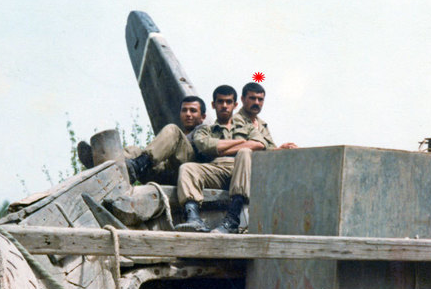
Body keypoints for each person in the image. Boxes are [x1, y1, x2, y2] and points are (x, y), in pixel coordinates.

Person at [176, 82, 297, 234]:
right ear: (213, 105)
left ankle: (233, 218)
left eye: (228, 102)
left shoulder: (247, 127)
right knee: (187, 168)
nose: (224, 106)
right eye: (220, 102)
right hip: (216, 170)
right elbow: (205, 146)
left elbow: (259, 144)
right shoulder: (205, 130)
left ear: (235, 104)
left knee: (245, 152)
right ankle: (193, 218)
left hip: (241, 170)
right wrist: (241, 141)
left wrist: (222, 149)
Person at [77, 96, 206, 185]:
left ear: (202, 117)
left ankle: (138, 165)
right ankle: (104, 164)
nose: (188, 114)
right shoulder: (180, 134)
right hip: (166, 172)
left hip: (188, 171)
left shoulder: (206, 130)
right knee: (134, 150)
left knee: (172, 130)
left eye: (193, 111)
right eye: (184, 110)